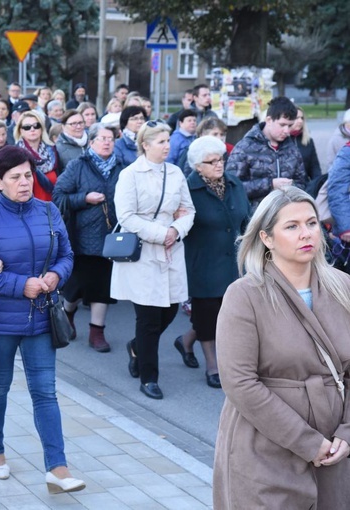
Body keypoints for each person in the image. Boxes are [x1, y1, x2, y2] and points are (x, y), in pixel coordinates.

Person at [213, 186, 350, 509]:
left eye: (312, 223)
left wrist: (347, 430)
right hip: (265, 447)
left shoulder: (342, 287)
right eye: (292, 226)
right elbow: (239, 382)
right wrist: (306, 441)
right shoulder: (245, 295)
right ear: (266, 238)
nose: (307, 234)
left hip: (336, 449)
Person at [0, 145, 84, 494]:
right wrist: (21, 285)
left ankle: (57, 468)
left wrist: (55, 277)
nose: (24, 182)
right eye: (14, 177)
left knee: (45, 392)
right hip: (0, 319)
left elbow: (66, 253)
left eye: (28, 175)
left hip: (43, 317)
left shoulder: (48, 211)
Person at [111, 121, 196, 400]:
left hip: (171, 249)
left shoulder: (175, 173)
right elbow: (126, 216)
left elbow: (188, 210)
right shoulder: (130, 174)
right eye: (160, 141)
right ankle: (149, 377)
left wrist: (176, 230)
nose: (167, 146)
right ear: (145, 145)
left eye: (168, 140)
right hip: (144, 251)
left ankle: (137, 346)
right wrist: (161, 234)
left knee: (170, 310)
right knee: (147, 317)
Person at [175, 136, 249, 388]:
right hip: (203, 262)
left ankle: (185, 341)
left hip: (233, 262)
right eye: (212, 161)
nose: (219, 164)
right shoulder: (187, 189)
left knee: (228, 313)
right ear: (198, 166)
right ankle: (212, 365)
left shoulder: (234, 184)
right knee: (208, 316)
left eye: (221, 159)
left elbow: (244, 218)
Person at [53, 123, 123, 352]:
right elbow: (59, 196)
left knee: (102, 286)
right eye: (101, 138)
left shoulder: (123, 168)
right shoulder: (78, 166)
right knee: (76, 287)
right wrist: (84, 198)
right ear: (91, 142)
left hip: (112, 238)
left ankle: (97, 332)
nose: (106, 142)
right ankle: (68, 315)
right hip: (82, 238)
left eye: (110, 139)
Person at [227, 97, 308, 210]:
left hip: (286, 214)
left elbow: (301, 182)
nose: (287, 131)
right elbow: (232, 187)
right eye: (282, 125)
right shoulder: (245, 147)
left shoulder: (292, 149)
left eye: (290, 126)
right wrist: (270, 185)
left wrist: (291, 188)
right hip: (255, 217)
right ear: (269, 120)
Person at [14, 110, 59, 201]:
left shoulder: (53, 151)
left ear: (42, 129)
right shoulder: (14, 154)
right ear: (20, 131)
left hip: (53, 207)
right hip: (26, 208)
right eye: (27, 127)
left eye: (36, 126)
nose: (32, 129)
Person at [291, 106, 322, 181]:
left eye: (302, 118)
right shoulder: (281, 141)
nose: (300, 121)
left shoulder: (308, 141)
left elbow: (314, 168)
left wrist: (317, 185)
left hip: (304, 187)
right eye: (296, 118)